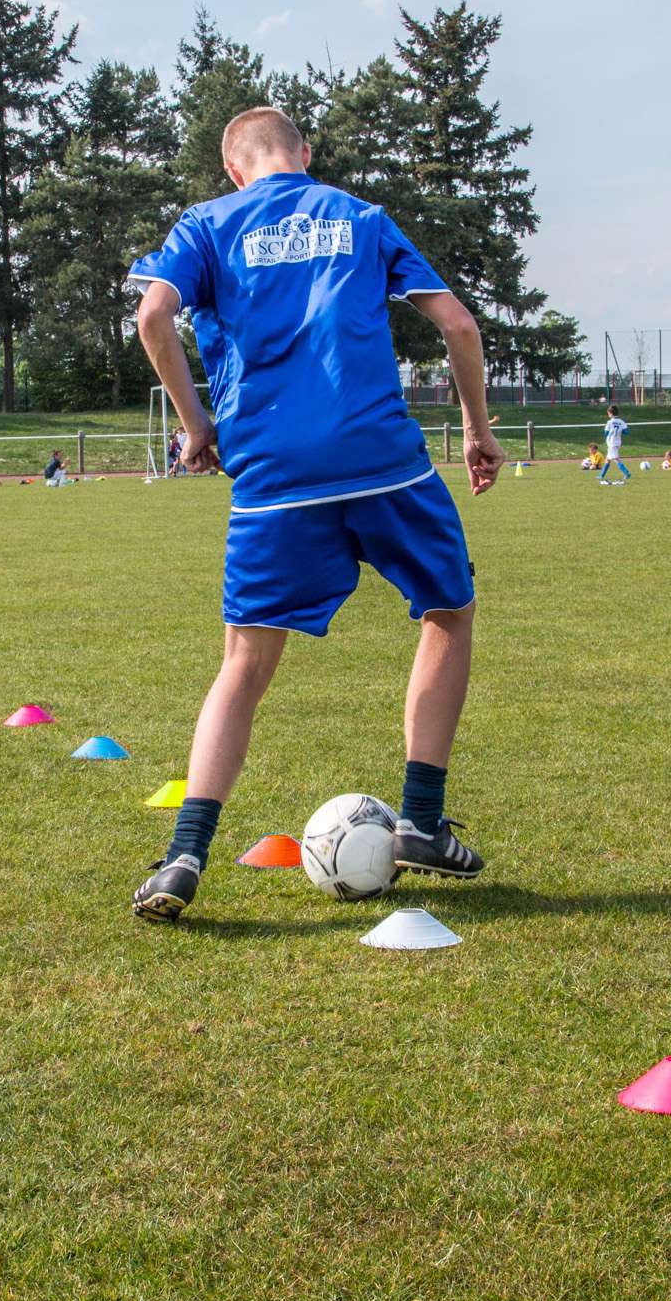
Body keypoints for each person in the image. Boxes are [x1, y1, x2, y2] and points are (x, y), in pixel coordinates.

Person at [127, 106, 505, 923]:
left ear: (235, 171)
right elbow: (459, 325)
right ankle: (422, 820)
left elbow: (152, 316)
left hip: (276, 474)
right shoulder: (362, 217)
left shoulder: (207, 224)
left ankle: (185, 854)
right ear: (305, 152)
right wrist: (477, 429)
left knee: (244, 664)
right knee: (449, 611)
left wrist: (197, 427)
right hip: (382, 461)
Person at [599, 406, 631, 485]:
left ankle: (627, 473)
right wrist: (620, 431)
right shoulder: (622, 422)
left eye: (608, 413)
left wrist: (610, 433)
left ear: (610, 413)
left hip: (611, 443)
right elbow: (626, 432)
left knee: (616, 460)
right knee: (608, 460)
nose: (608, 415)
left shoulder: (609, 422)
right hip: (618, 442)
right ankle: (601, 475)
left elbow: (606, 433)